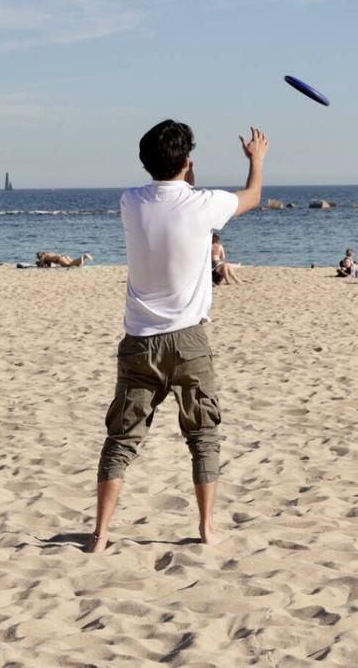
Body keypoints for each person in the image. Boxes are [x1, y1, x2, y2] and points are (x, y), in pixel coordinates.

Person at [89, 119, 268, 554]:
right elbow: (253, 196)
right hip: (188, 342)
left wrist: (184, 174)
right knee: (202, 435)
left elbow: (175, 196)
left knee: (121, 439)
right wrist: (256, 161)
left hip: (140, 341)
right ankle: (207, 528)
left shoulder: (130, 201)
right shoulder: (203, 204)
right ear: (189, 163)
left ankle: (100, 535)